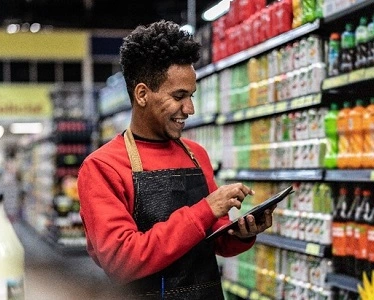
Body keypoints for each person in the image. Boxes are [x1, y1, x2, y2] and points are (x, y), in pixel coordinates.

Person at [77, 20, 276, 299]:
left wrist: (241, 234)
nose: (190, 108)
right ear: (142, 94)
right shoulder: (102, 167)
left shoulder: (196, 155)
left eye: (191, 96)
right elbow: (121, 261)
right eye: (179, 96)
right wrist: (205, 210)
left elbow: (212, 239)